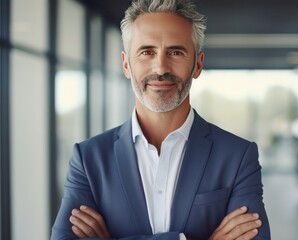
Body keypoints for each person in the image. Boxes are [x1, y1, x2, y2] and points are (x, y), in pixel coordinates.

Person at [51, 0, 270, 239]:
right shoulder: (88, 159)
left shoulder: (237, 156)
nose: (160, 67)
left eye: (175, 52)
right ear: (126, 64)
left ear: (197, 64)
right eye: (147, 52)